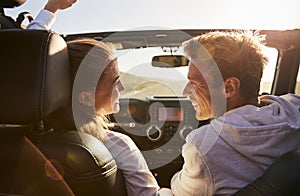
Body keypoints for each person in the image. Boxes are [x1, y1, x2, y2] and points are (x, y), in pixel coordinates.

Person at [27, 1, 161, 196]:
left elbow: (25, 60)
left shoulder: (23, 139)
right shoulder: (119, 146)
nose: (122, 88)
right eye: (116, 82)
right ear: (86, 98)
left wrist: (50, 9)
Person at [170, 31, 300, 195]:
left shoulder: (203, 146)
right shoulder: (294, 108)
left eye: (194, 84)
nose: (185, 92)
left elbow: (179, 192)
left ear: (229, 87)